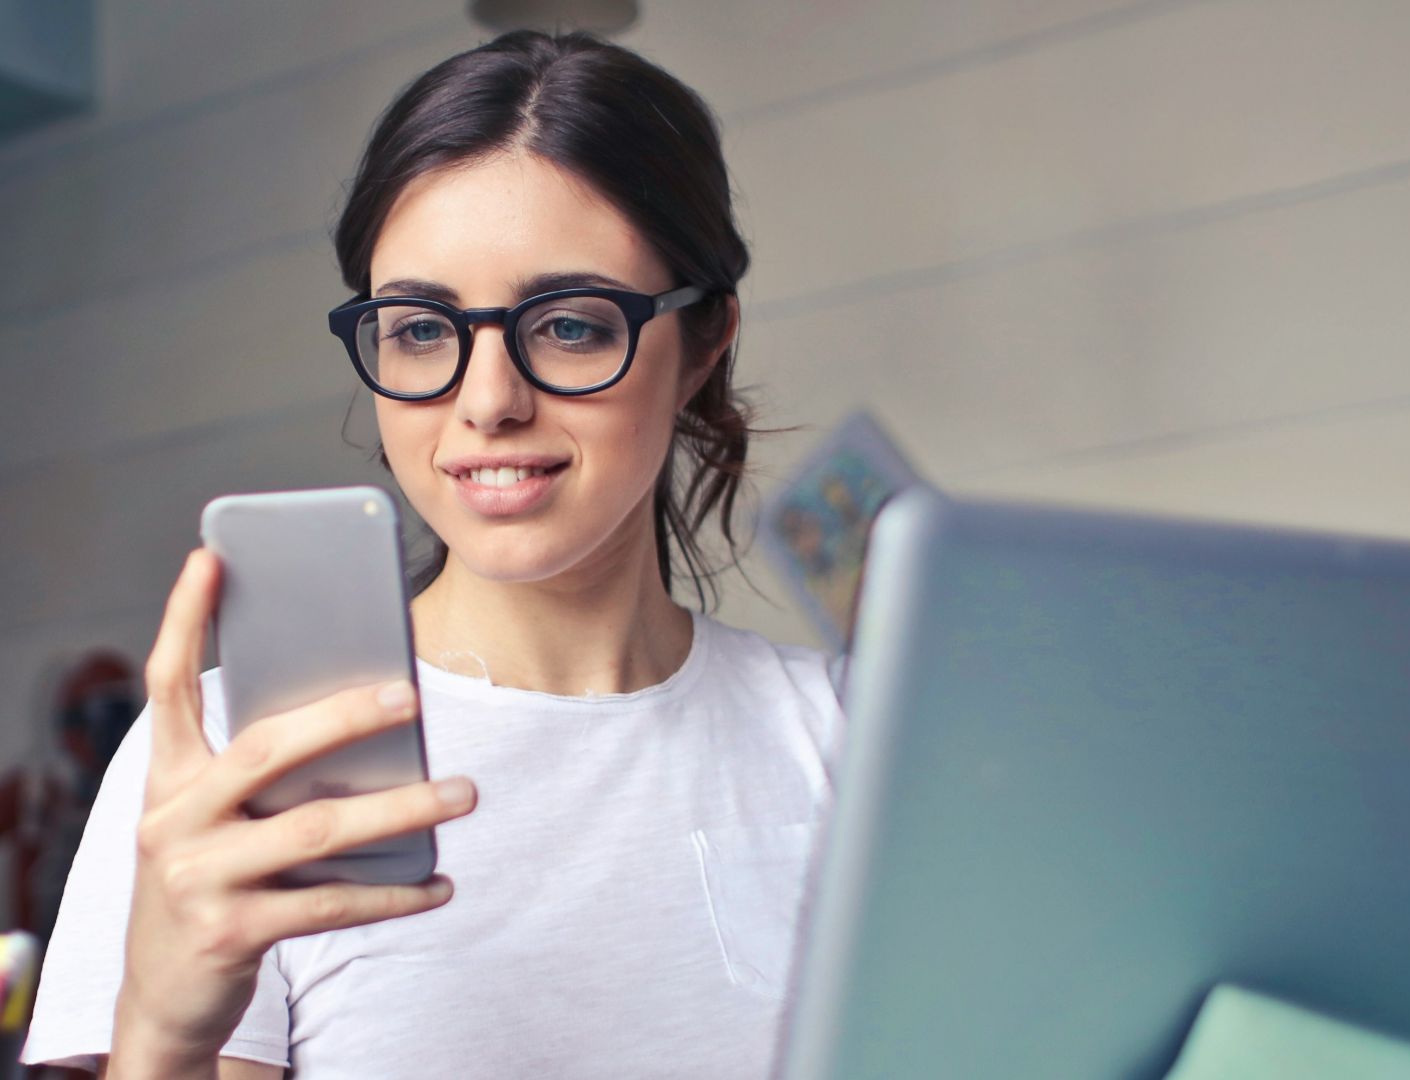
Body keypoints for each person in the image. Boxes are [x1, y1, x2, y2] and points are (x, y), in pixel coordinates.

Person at [21, 30, 845, 1079]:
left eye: (572, 326)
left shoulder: (851, 740)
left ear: (702, 343)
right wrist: (162, 1038)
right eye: (419, 330)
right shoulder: (237, 765)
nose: (489, 401)